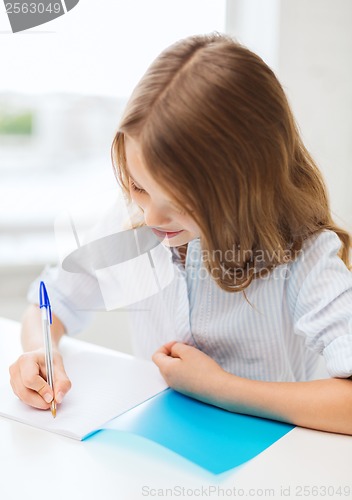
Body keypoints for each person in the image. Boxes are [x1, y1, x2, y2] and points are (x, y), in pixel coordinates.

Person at [9, 33, 352, 434]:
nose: (151, 215)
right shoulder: (131, 218)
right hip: (154, 446)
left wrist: (222, 388)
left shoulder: (303, 253)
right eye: (138, 186)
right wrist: (39, 350)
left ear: (245, 186)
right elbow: (51, 303)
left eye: (178, 203)